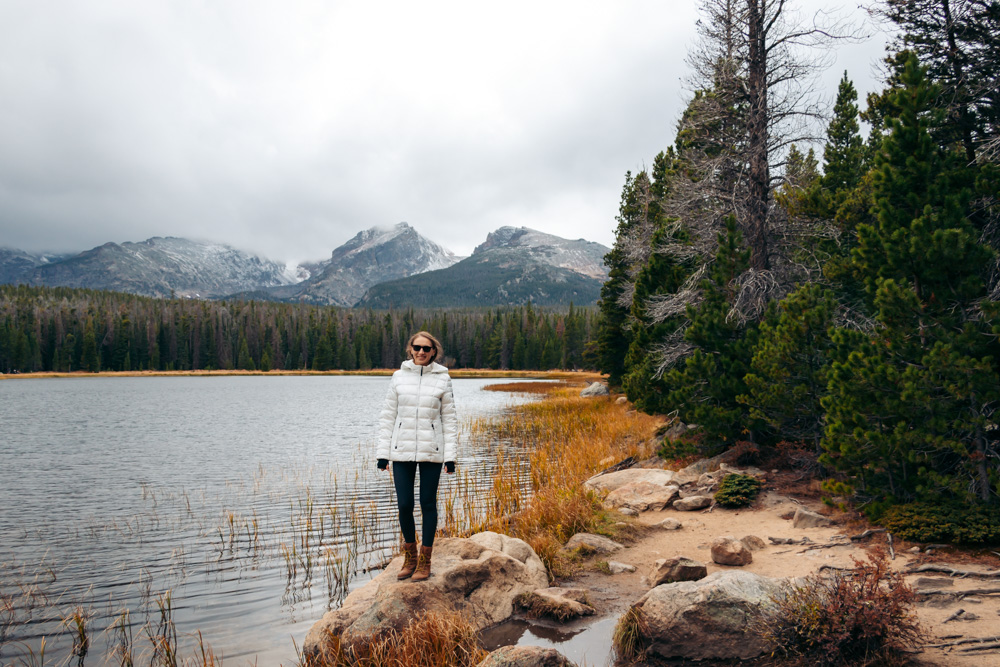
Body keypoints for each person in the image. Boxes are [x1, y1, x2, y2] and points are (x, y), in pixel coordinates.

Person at [376, 331, 457, 581]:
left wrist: (450, 457)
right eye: (417, 347)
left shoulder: (443, 379)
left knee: (427, 504)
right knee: (404, 505)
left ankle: (425, 560)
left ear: (434, 352)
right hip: (401, 451)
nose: (421, 352)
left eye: (426, 348)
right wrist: (383, 454)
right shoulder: (398, 378)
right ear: (410, 349)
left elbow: (450, 420)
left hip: (432, 451)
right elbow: (388, 416)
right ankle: (409, 557)